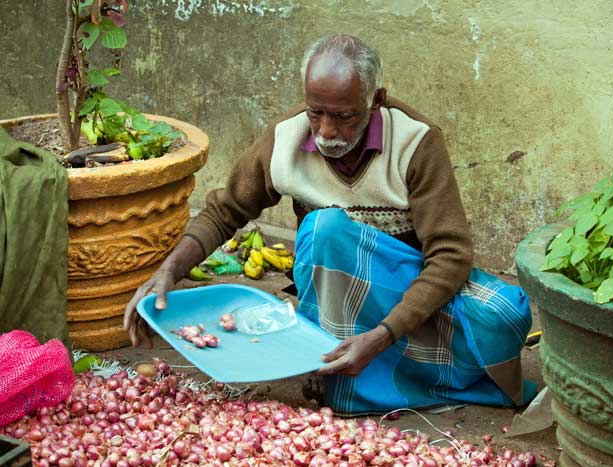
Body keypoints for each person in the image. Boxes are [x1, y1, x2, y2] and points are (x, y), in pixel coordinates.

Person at [124, 35, 536, 415]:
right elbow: (224, 210)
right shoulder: (285, 140)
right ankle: (350, 381)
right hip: (340, 300)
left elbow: (450, 254)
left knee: (504, 316)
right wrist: (168, 271)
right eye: (315, 112)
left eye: (343, 117)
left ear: (376, 101)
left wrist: (383, 334)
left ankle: (385, 362)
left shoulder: (415, 142)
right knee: (325, 230)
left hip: (408, 288)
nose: (326, 131)